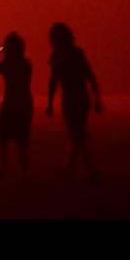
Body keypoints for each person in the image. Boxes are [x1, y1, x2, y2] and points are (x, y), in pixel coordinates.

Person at [46, 23, 103, 184]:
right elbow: (89, 75)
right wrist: (97, 97)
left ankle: (93, 171)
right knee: (76, 133)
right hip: (80, 97)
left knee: (77, 135)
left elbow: (54, 80)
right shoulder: (76, 53)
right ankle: (69, 168)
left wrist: (50, 103)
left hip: (72, 99)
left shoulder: (59, 55)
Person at [0, 32, 33, 181]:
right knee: (22, 141)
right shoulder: (26, 63)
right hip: (25, 104)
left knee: (2, 136)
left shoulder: (6, 63)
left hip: (11, 104)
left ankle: (4, 168)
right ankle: (24, 173)